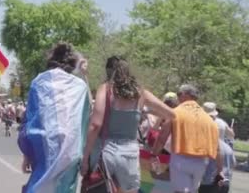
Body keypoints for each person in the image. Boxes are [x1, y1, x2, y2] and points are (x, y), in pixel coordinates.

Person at [81, 56, 175, 193]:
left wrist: (85, 158)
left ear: (109, 71)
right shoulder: (141, 93)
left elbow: (95, 124)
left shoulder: (105, 89)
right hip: (129, 153)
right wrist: (145, 110)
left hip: (105, 151)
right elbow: (171, 114)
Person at [18, 42, 90, 193]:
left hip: (43, 149)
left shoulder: (39, 82)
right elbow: (83, 124)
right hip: (70, 152)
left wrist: (27, 155)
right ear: (72, 63)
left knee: (40, 188)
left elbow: (29, 121)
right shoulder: (80, 86)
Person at [152, 84, 219, 193]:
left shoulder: (175, 113)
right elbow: (217, 147)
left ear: (185, 95)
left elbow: (162, 137)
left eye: (179, 94)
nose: (178, 98)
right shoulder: (209, 120)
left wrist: (154, 154)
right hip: (201, 163)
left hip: (181, 160)